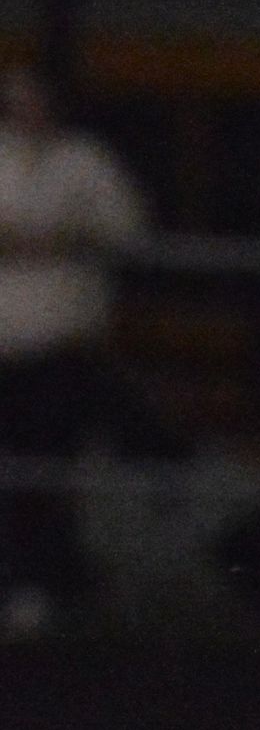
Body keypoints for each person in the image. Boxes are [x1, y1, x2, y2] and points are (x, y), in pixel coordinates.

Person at [0, 64, 151, 636]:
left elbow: (128, 229)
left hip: (59, 346)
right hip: (4, 347)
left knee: (46, 469)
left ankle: (39, 586)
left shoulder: (85, 161)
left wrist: (64, 237)